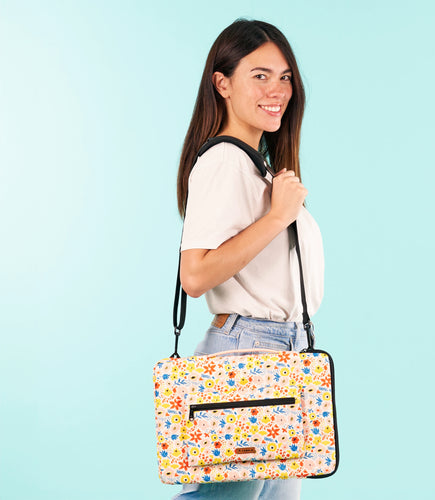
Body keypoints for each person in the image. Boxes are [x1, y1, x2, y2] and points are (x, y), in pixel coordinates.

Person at [173, 18, 324, 500]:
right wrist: (278, 217)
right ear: (222, 84)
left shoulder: (255, 166)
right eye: (260, 75)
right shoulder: (223, 161)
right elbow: (195, 275)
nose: (277, 90)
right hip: (249, 352)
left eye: (284, 77)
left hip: (282, 353)